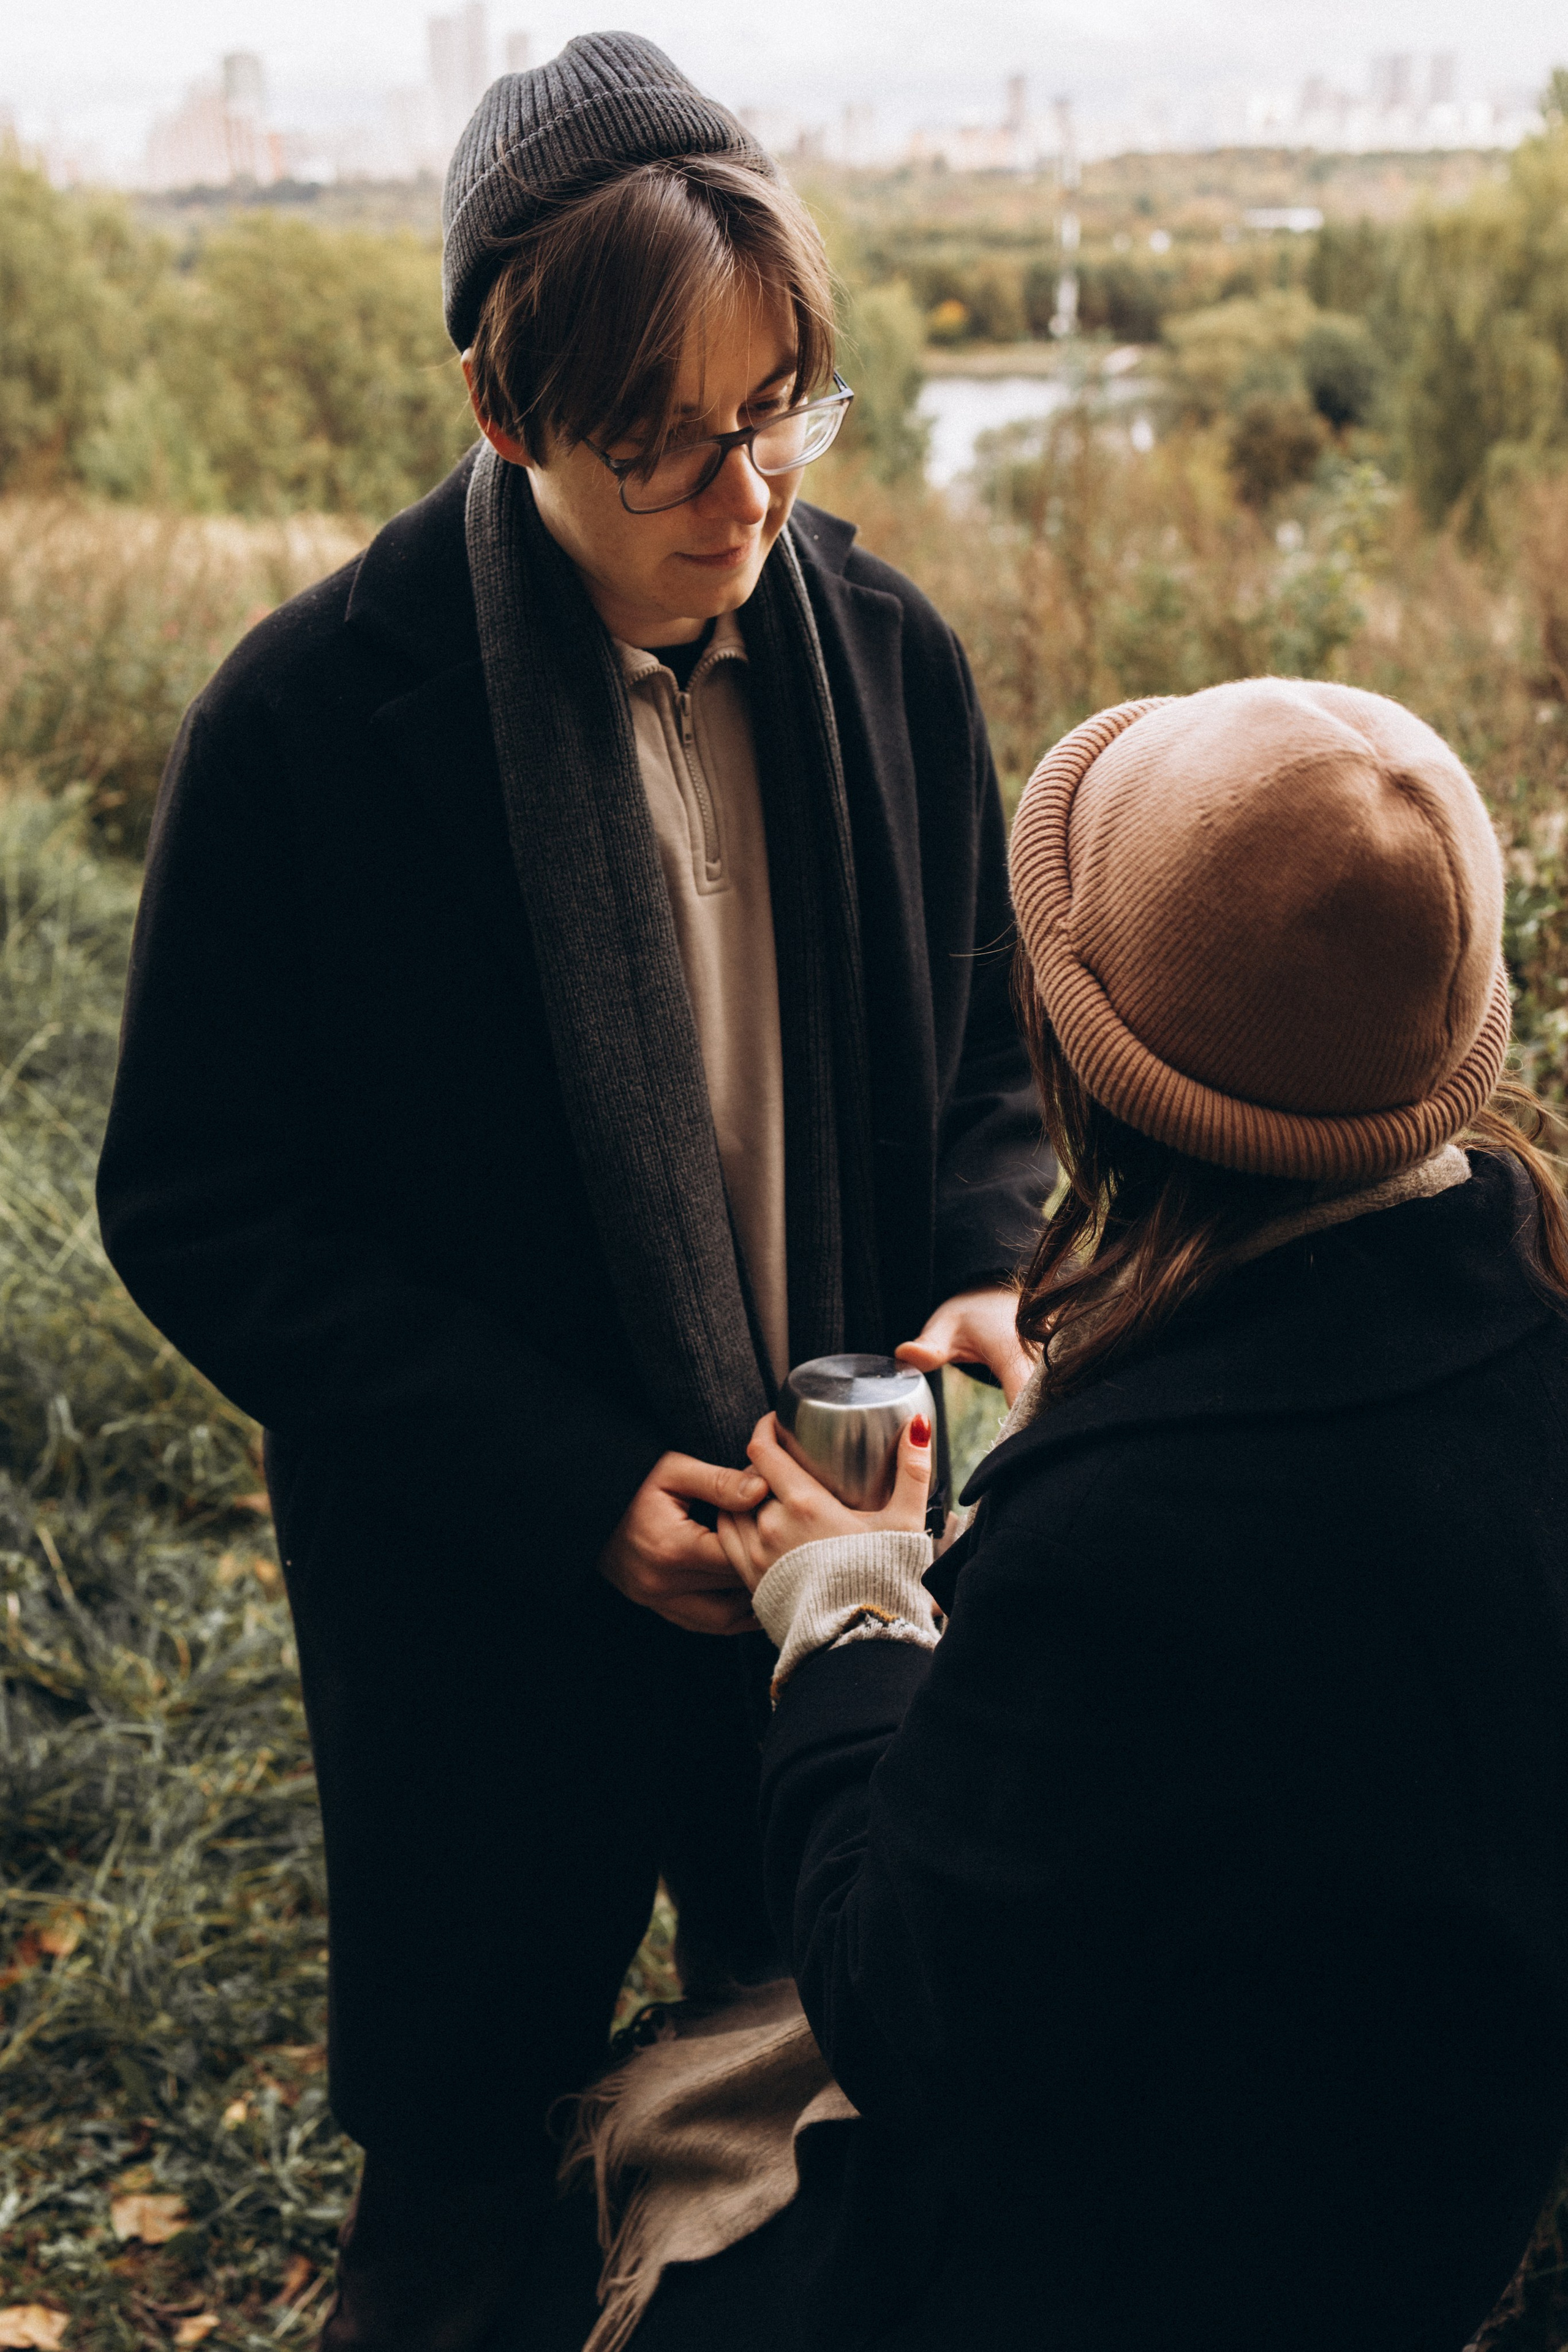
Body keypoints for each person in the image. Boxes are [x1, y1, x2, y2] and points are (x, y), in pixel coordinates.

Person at [93, 32, 1049, 2348]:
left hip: (836, 1564)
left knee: (819, 2127)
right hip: (475, 1609)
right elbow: (197, 1199)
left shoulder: (894, 657)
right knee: (455, 2196)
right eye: (669, 445)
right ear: (504, 413)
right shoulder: (310, 721)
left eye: (782, 414)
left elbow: (986, 1075)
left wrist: (990, 1277)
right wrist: (567, 1488)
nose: (747, 499)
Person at [587, 679, 1568, 2352]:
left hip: (1165, 2258)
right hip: (1447, 2186)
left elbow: (908, 2010)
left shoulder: (1126, 1536)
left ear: (1090, 1070)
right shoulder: (1531, 1311)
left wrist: (850, 1611)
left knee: (653, 2203)